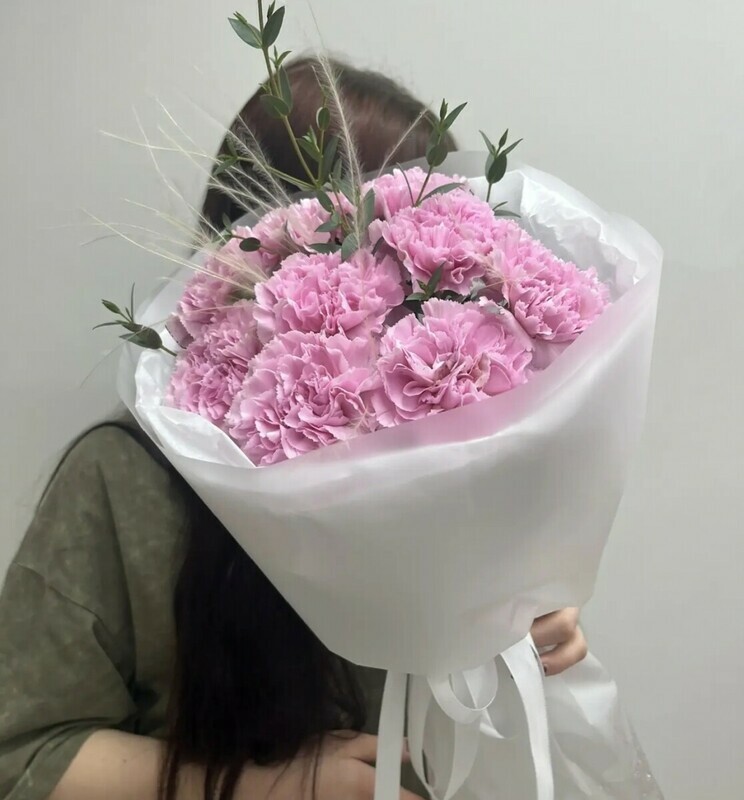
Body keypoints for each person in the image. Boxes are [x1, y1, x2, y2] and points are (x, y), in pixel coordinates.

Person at [0, 58, 588, 800]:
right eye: (390, 250)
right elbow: (21, 753)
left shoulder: (450, 454)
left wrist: (524, 633)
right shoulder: (126, 481)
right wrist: (264, 785)